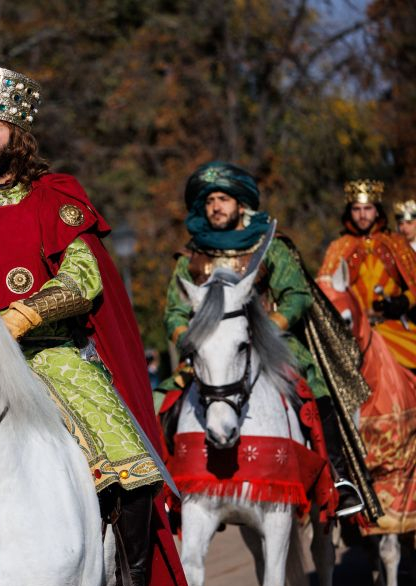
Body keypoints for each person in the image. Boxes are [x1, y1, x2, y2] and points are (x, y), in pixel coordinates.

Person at [0, 65, 193, 586]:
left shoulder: (52, 197)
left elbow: (82, 279)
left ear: (16, 138)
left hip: (48, 352)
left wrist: (17, 319)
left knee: (126, 453)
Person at [162, 162, 371, 516]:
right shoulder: (192, 257)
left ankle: (337, 478)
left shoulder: (269, 246)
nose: (216, 206)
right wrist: (188, 338)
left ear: (240, 204)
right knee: (162, 401)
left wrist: (266, 329)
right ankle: (165, 487)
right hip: (210, 350)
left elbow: (297, 296)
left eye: (223, 198)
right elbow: (173, 311)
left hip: (271, 343)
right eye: (210, 200)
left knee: (313, 388)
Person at [319, 180, 416, 371]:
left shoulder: (396, 243)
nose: (362, 215)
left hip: (394, 328)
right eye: (356, 209)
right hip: (354, 333)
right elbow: (326, 291)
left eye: (368, 208)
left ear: (377, 210)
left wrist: (403, 301)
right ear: (349, 211)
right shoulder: (338, 247)